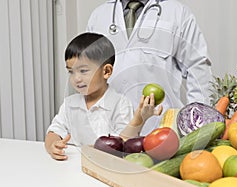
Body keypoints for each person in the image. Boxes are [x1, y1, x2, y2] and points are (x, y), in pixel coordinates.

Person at [86, 0, 213, 135]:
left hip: (161, 129)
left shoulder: (177, 13)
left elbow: (198, 67)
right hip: (110, 130)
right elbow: (87, 71)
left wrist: (197, 124)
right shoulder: (99, 15)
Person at [44, 32, 162, 160]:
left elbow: (124, 143)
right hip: (73, 166)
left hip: (106, 167)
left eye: (83, 71)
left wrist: (139, 118)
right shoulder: (69, 104)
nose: (76, 78)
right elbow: (54, 131)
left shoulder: (119, 103)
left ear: (106, 71)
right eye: (71, 72)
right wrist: (52, 146)